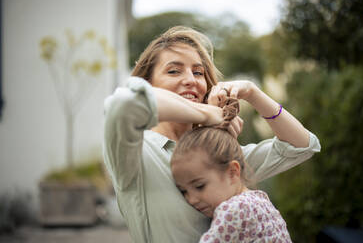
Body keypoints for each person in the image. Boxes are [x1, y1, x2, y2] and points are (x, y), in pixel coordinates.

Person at [103, 26, 320, 243]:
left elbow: (302, 146)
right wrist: (209, 114)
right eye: (174, 71)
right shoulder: (136, 152)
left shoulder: (215, 153)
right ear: (148, 85)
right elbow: (124, 103)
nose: (191, 80)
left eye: (198, 72)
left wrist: (253, 93)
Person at [171, 104, 292, 242]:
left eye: (199, 186)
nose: (191, 199)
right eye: (183, 191)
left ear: (232, 172)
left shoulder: (234, 210)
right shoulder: (260, 200)